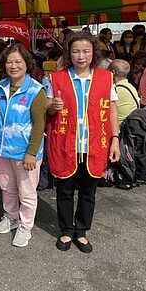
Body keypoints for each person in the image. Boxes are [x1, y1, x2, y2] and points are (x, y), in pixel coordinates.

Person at [47, 32, 120, 253]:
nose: (81, 56)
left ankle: (82, 231)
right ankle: (66, 230)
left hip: (95, 143)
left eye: (86, 51)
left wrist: (115, 139)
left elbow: (113, 110)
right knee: (65, 190)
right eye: (76, 51)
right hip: (66, 142)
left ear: (93, 53)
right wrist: (53, 107)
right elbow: (47, 107)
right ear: (69, 53)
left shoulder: (106, 77)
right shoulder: (56, 77)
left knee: (89, 192)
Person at [0, 44, 46, 248]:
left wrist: (32, 153)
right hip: (3, 149)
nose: (13, 66)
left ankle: (25, 226)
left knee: (27, 192)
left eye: (18, 62)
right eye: (9, 62)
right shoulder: (1, 86)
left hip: (25, 153)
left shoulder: (35, 90)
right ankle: (10, 216)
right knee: (6, 187)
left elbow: (40, 124)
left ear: (27, 64)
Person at [108, 59, 139, 123]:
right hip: (130, 126)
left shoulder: (116, 90)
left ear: (113, 72)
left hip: (120, 129)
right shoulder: (131, 87)